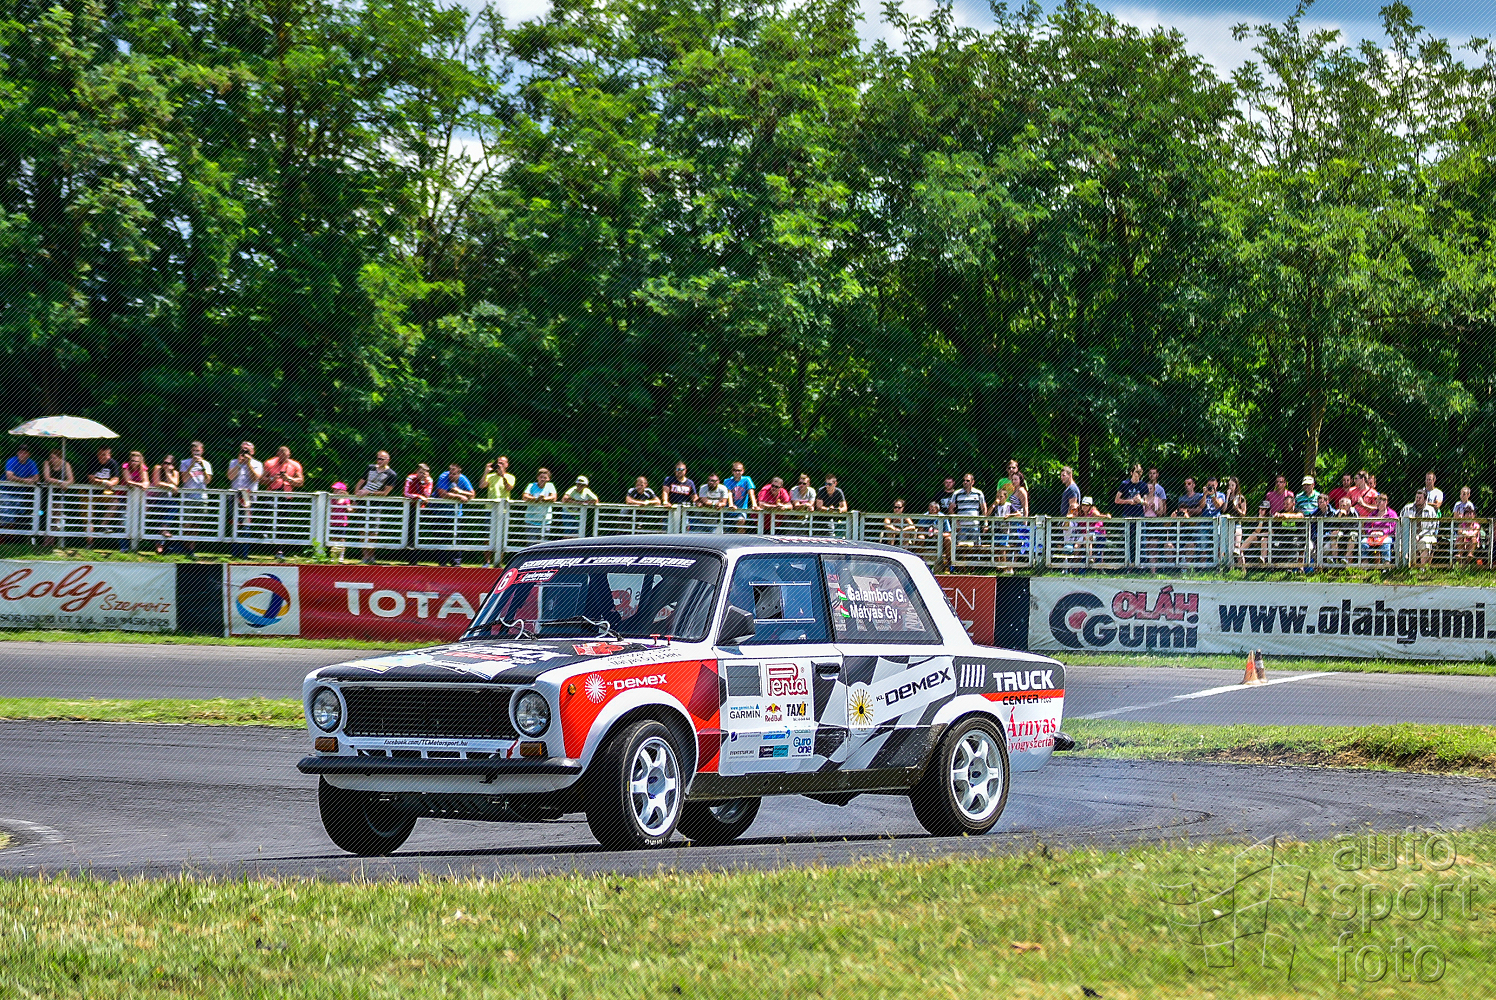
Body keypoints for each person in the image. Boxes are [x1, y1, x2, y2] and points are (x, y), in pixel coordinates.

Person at [354, 450, 399, 563]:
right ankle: (365, 556)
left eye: (382, 459)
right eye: (378, 458)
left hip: (375, 503)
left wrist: (369, 492)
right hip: (362, 501)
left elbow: (385, 493)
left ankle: (371, 556)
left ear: (388, 460)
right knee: (362, 529)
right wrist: (356, 494)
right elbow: (361, 481)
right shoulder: (370, 468)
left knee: (373, 531)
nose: (379, 461)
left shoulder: (391, 474)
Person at [226, 441, 263, 559]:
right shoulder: (234, 462)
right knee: (235, 524)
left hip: (248, 498)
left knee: (246, 524)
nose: (244, 452)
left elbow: (255, 478)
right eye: (243, 450)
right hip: (235, 496)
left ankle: (244, 554)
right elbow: (230, 476)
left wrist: (248, 464)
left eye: (247, 450)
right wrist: (239, 463)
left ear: (252, 452)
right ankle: (235, 553)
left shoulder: (257, 464)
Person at [433, 463, 475, 565]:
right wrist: (459, 496)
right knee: (442, 538)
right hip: (440, 513)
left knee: (456, 537)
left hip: (456, 514)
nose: (451, 476)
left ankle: (456, 563)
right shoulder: (443, 477)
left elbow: (472, 494)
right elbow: (442, 494)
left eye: (454, 474)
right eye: (450, 473)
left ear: (459, 474)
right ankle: (442, 563)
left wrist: (459, 491)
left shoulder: (463, 479)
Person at [177, 442, 213, 555]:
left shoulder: (206, 464)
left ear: (202, 451)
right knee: (186, 524)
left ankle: (191, 549)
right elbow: (184, 479)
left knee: (196, 524)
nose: (196, 453)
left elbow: (207, 481)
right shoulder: (184, 462)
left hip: (201, 497)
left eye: (198, 451)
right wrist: (192, 465)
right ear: (191, 451)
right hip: (188, 496)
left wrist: (202, 466)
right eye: (194, 451)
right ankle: (185, 547)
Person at [2, 444, 40, 533]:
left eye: (25, 453)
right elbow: (9, 477)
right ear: (17, 453)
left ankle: (11, 535)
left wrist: (22, 480)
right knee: (6, 513)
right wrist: (25, 480)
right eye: (20, 452)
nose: (22, 454)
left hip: (20, 493)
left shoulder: (31, 463)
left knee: (18, 515)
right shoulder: (11, 461)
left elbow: (36, 478)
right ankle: (5, 535)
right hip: (5, 491)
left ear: (28, 454)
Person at [148, 452, 179, 553]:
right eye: (164, 462)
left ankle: (160, 546)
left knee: (164, 520)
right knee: (162, 519)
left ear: (173, 465)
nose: (165, 465)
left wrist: (167, 473)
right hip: (154, 499)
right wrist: (170, 486)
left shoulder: (175, 473)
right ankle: (160, 542)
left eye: (169, 463)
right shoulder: (157, 468)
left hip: (167, 501)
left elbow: (176, 483)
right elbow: (157, 483)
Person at [403, 463, 434, 565]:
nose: (422, 475)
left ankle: (417, 559)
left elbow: (427, 495)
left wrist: (424, 484)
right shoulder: (411, 478)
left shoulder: (429, 480)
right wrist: (418, 496)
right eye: (420, 472)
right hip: (410, 507)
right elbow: (406, 493)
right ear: (417, 472)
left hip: (421, 508)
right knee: (410, 532)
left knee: (419, 532)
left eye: (424, 473)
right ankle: (410, 559)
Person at [1401, 487, 1438, 569]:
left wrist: (1420, 535)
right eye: (1416, 497)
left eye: (1420, 498)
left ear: (1425, 499)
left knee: (1424, 543)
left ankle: (1422, 568)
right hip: (1409, 534)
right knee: (1401, 542)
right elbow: (1401, 522)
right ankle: (1403, 567)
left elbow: (1432, 527)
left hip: (1425, 535)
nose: (1417, 499)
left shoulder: (1431, 511)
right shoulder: (1407, 508)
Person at [521, 467, 558, 542]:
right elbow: (524, 496)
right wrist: (536, 499)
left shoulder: (550, 485)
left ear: (548, 479)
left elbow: (554, 497)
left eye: (545, 477)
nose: (543, 479)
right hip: (531, 521)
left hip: (546, 521)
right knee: (531, 544)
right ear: (537, 477)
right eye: (541, 477)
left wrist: (544, 499)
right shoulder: (531, 485)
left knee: (543, 545)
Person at [1361, 494, 1398, 565]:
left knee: (1386, 543)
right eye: (1376, 502)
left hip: (1387, 536)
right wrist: (1370, 533)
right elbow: (1367, 525)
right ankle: (1364, 565)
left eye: (1379, 502)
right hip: (1373, 536)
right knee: (1363, 542)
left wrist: (1383, 533)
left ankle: (1386, 565)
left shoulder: (1391, 514)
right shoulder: (1373, 514)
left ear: (1385, 502)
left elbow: (1393, 527)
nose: (1377, 504)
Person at [722, 461, 759, 532]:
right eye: (735, 470)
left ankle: (741, 539)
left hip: (741, 510)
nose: (737, 472)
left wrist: (754, 505)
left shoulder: (747, 480)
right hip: (728, 511)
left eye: (739, 470)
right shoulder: (727, 481)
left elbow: (751, 492)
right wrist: (731, 505)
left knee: (741, 522)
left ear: (743, 471)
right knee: (727, 532)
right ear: (732, 471)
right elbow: (729, 493)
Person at [1453, 486, 1480, 565]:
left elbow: (1471, 517)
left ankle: (1469, 556)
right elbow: (1455, 516)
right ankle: (1460, 556)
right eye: (1461, 493)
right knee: (1460, 534)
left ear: (1468, 495)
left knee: (1472, 536)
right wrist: (1461, 518)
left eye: (1464, 494)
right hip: (1460, 525)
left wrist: (1462, 517)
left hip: (1469, 527)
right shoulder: (1457, 504)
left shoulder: (1470, 505)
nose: (1462, 495)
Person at [328, 481, 353, 563]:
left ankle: (341, 556)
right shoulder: (331, 499)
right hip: (333, 522)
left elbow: (350, 509)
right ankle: (333, 556)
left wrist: (350, 502)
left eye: (337, 489)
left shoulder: (345, 499)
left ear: (342, 491)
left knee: (342, 539)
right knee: (333, 539)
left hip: (342, 523)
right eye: (334, 489)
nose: (335, 491)